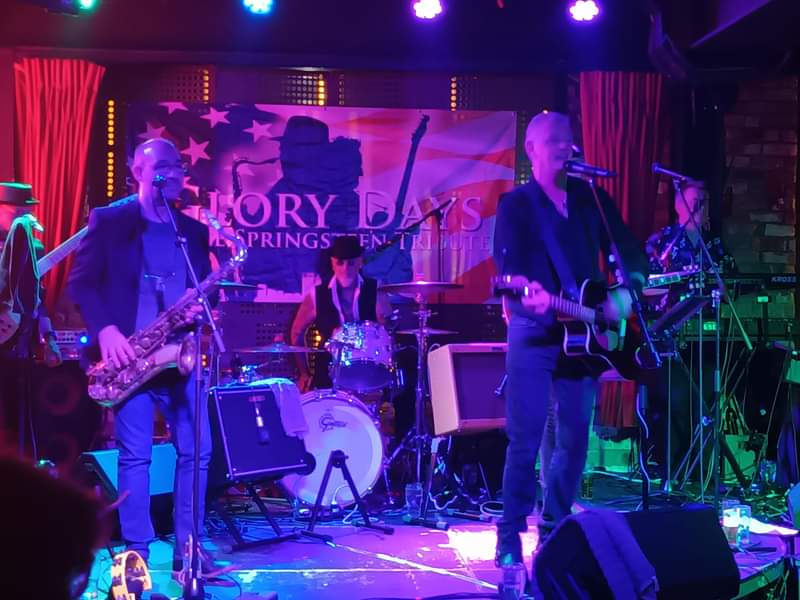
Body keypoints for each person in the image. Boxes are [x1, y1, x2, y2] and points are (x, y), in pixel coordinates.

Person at [492, 111, 647, 566]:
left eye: (569, 139)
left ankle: (555, 528)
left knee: (576, 437)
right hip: (534, 330)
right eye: (554, 140)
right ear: (532, 150)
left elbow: (629, 253)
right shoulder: (516, 205)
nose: (565, 146)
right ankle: (509, 534)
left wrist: (626, 292)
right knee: (525, 437)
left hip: (584, 335)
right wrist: (527, 295)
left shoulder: (591, 197)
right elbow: (508, 272)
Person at [68, 138, 214, 570]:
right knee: (136, 457)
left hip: (180, 356)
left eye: (178, 165)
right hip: (130, 358)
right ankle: (139, 552)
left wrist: (200, 303)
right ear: (138, 172)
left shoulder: (193, 232)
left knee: (198, 453)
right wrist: (107, 330)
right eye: (162, 166)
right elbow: (81, 282)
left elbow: (207, 288)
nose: (173, 173)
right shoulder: (111, 220)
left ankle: (190, 549)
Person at [0, 182, 62, 454]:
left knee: (19, 427)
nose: (23, 218)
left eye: (26, 213)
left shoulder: (34, 248)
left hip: (20, 350)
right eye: (17, 212)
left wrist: (50, 339)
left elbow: (39, 301)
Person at [290, 235, 392, 392]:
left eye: (351, 263)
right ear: (332, 263)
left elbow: (387, 331)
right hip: (328, 371)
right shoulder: (316, 294)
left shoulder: (375, 290)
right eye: (340, 263)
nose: (345, 269)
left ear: (360, 262)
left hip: (368, 368)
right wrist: (304, 373)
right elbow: (296, 334)